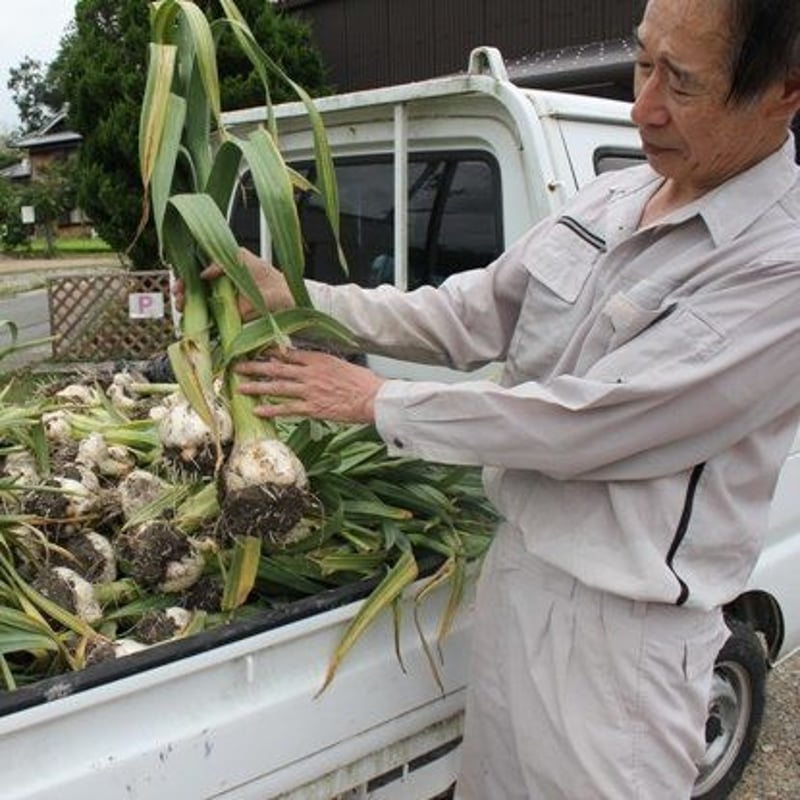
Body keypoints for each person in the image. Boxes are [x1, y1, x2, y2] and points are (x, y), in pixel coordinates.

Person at [180, 0, 800, 796]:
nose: (644, 105)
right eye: (643, 61)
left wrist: (378, 402)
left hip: (624, 642)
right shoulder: (615, 199)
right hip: (518, 578)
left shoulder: (777, 267)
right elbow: (467, 313)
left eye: (681, 82)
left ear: (783, 91)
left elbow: (590, 420)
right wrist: (294, 296)